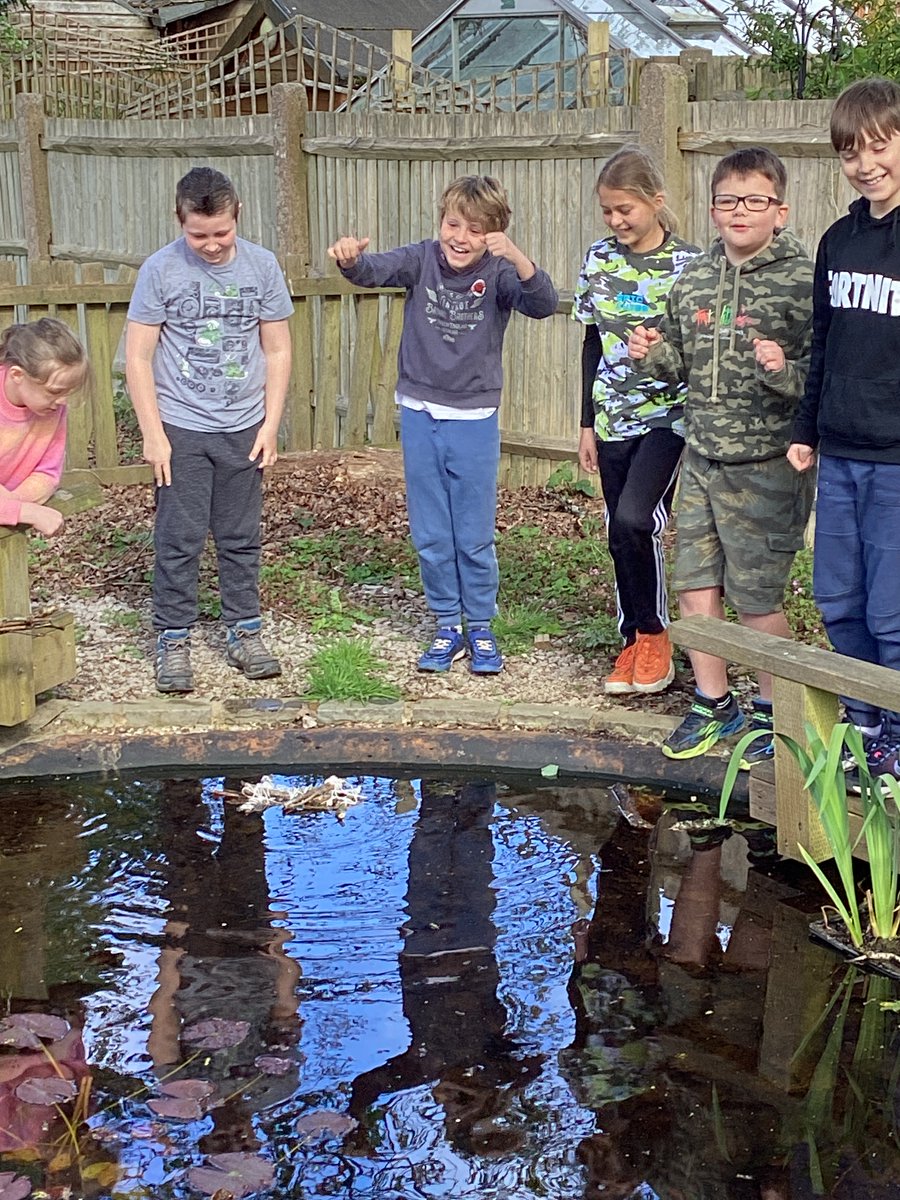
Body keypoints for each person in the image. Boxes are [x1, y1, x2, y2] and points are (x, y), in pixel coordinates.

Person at [327, 175, 558, 675]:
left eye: (476, 230)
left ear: (494, 234)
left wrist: (516, 256)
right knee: (431, 531)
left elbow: (543, 303)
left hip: (473, 417)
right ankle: (447, 624)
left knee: (472, 533)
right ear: (441, 222)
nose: (460, 237)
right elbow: (371, 271)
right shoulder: (422, 259)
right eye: (454, 224)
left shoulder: (499, 273)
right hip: (420, 412)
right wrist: (350, 258)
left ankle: (480, 625)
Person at [629, 147, 815, 765]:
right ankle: (713, 702)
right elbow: (675, 363)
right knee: (694, 584)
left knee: (758, 596)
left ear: (779, 211)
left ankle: (772, 710)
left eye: (755, 200)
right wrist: (648, 352)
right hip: (701, 458)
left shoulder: (801, 281)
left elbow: (830, 372)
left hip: (767, 465)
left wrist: (785, 368)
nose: (741, 211)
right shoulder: (694, 280)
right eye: (728, 201)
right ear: (711, 210)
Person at [126, 166, 293, 694]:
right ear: (180, 220)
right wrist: (153, 433)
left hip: (244, 426)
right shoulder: (159, 271)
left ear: (236, 215)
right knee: (179, 537)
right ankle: (173, 638)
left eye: (222, 232)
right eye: (199, 234)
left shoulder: (263, 266)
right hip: (182, 428)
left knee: (241, 536)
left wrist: (271, 424)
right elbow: (137, 355)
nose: (212, 244)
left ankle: (245, 631)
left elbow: (278, 348)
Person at [789, 77, 900, 781]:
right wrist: (806, 427)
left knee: (892, 610)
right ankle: (862, 719)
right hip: (840, 453)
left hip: (896, 463)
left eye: (879, 146)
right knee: (838, 595)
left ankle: (895, 731)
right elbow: (822, 341)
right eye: (850, 152)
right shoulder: (838, 238)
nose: (865, 164)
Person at [572, 146, 701, 696]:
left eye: (625, 208)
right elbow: (591, 344)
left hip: (669, 418)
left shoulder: (691, 266)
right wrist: (584, 422)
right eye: (607, 211)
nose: (617, 220)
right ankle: (633, 640)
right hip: (611, 415)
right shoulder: (598, 260)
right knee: (617, 531)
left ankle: (656, 635)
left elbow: (702, 347)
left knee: (634, 519)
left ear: (656, 202)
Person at [0, 318, 88, 538]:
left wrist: (10, 507)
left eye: (68, 392)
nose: (63, 401)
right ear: (17, 375)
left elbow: (47, 474)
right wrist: (22, 511)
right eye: (55, 391)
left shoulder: (52, 408)